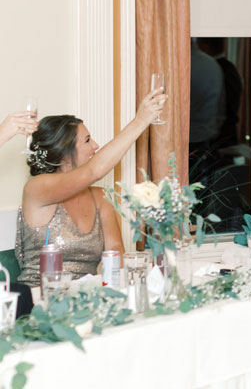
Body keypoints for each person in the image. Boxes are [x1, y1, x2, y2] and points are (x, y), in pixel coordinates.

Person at [15, 88, 166, 287]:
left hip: (88, 299)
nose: (95, 145)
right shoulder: (36, 188)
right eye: (87, 141)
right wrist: (140, 121)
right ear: (65, 155)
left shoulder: (99, 197)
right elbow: (93, 171)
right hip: (40, 299)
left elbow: (115, 251)